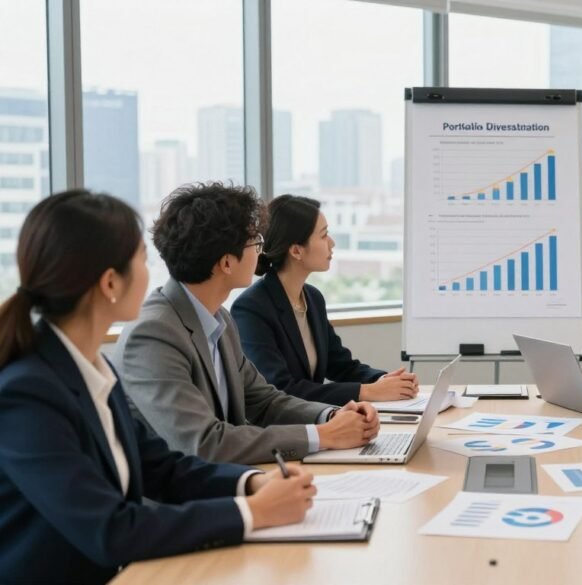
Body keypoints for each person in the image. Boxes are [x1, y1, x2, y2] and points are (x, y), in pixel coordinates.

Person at [0, 190, 316, 584]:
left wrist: (252, 483)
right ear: (110, 282)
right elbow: (110, 530)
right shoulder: (27, 395)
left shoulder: (91, 369)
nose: (152, 273)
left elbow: (162, 468)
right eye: (141, 259)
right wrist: (254, 512)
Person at [112, 182, 379, 465]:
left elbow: (264, 400)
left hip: (228, 482)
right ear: (227, 263)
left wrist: (332, 416)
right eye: (256, 243)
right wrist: (322, 435)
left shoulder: (218, 319)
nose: (261, 252)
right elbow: (204, 443)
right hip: (181, 501)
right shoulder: (153, 334)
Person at [232, 195, 418, 406]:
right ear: (296, 251)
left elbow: (340, 365)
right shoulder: (251, 308)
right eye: (324, 235)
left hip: (317, 421)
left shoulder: (312, 298)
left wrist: (385, 381)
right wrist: (366, 391)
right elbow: (281, 389)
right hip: (282, 431)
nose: (332, 243)